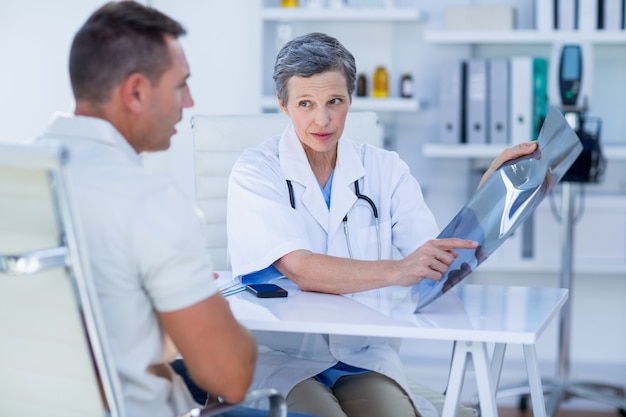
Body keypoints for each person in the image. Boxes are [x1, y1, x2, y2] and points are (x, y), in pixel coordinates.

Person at [226, 32, 538, 417]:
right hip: (278, 354)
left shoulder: (384, 169)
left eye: (334, 102)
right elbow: (300, 269)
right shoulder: (256, 171)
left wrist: (488, 196)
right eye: (306, 103)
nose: (322, 120)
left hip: (359, 354)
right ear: (283, 104)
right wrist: (398, 270)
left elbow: (434, 263)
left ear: (350, 100)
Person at [36, 2, 315, 417]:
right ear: (135, 92)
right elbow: (230, 377)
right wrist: (206, 300)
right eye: (180, 85)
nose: (189, 102)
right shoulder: (149, 200)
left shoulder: (20, 175)